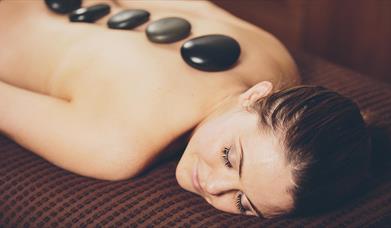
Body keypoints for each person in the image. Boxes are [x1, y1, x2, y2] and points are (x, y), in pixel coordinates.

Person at [0, 0, 372, 218]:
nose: (212, 186)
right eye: (229, 157)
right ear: (257, 96)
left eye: (243, 203)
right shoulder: (118, 146)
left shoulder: (274, 56)